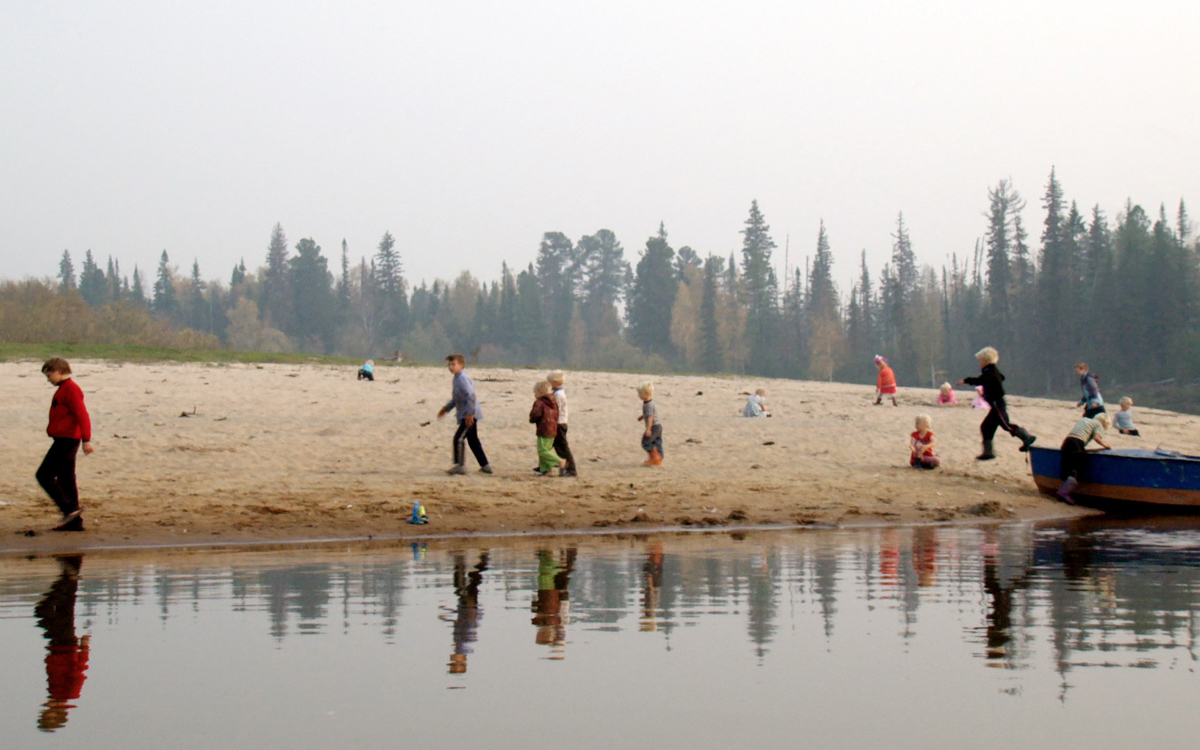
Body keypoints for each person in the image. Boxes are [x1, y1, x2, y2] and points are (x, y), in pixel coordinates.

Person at [37, 359, 94, 532]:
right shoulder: (64, 389)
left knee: (44, 475)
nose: (49, 380)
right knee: (66, 478)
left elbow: (82, 415)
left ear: (59, 371)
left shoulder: (71, 389)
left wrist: (87, 440)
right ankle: (75, 522)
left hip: (68, 440)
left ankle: (70, 509)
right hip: (63, 439)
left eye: (49, 375)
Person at [957, 347, 1036, 460]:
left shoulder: (991, 371)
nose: (979, 363)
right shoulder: (990, 371)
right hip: (995, 405)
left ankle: (1027, 437)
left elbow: (983, 380)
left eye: (980, 360)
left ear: (986, 360)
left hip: (997, 404)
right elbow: (1000, 377)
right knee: (986, 427)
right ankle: (988, 452)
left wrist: (966, 380)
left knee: (1006, 425)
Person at [436, 354, 492, 475]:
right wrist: (446, 409)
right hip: (465, 413)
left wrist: (470, 413)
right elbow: (456, 399)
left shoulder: (462, 378)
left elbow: (471, 395)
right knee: (473, 440)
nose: (451, 367)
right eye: (449, 365)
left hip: (469, 414)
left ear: (461, 365)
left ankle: (459, 466)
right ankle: (485, 466)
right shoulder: (456, 378)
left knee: (458, 438)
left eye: (454, 364)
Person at [1056, 412, 1113, 504]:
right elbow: (1096, 438)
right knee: (1077, 468)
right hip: (1077, 443)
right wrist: (1106, 445)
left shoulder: (1084, 420)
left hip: (1067, 441)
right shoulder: (1098, 424)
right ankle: (1065, 493)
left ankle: (1061, 489)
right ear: (1104, 424)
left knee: (1066, 465)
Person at [548, 370, 577, 477]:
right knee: (550, 446)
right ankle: (546, 466)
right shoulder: (557, 393)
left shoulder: (558, 395)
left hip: (559, 423)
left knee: (563, 448)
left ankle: (571, 469)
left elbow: (556, 410)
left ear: (555, 382)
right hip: (558, 423)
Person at [529, 380, 560, 476]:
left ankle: (560, 462)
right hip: (553, 429)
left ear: (540, 392)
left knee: (542, 451)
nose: (534, 395)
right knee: (546, 449)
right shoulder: (553, 401)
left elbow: (535, 414)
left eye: (535, 392)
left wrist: (532, 419)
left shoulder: (539, 402)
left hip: (544, 429)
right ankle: (547, 470)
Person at [637, 381, 663, 466]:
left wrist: (648, 429)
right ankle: (658, 459)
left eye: (640, 393)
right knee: (656, 442)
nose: (638, 395)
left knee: (646, 442)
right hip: (658, 426)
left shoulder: (648, 405)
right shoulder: (649, 403)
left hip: (654, 426)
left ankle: (655, 458)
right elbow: (649, 413)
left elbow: (650, 417)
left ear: (645, 393)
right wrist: (643, 416)